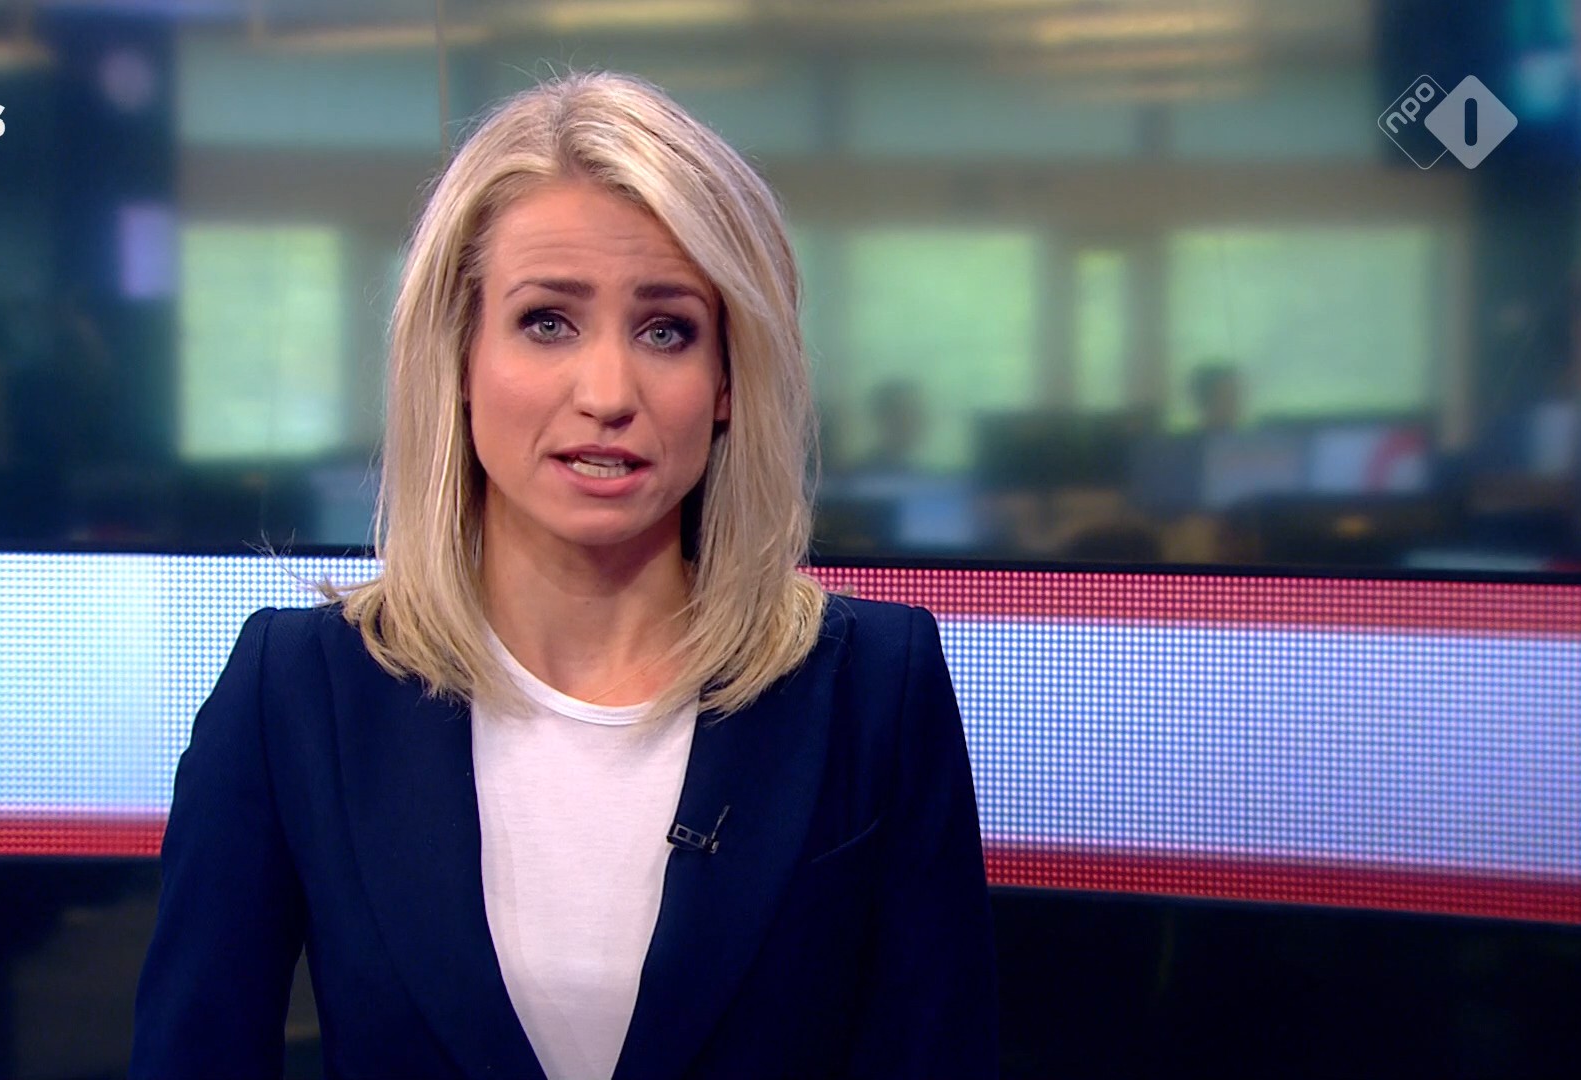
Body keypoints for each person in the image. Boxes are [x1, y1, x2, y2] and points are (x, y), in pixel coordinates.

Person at [131, 71, 998, 1080]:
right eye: (548, 321)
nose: (608, 392)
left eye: (667, 330)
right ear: (458, 357)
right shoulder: (295, 692)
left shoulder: (873, 688)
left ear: (727, 380)